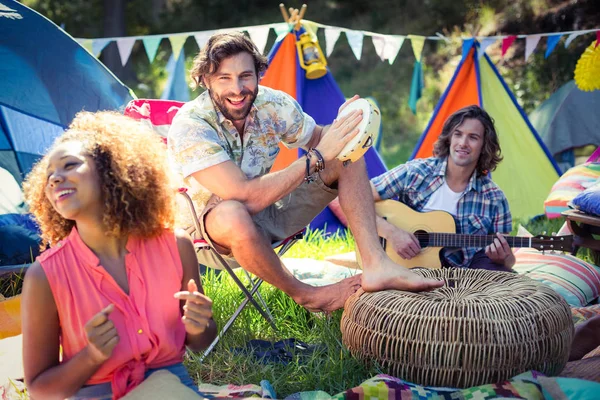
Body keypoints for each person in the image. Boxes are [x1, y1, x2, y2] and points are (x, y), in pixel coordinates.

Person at [167, 32, 442, 314]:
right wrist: (318, 157)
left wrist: (345, 126)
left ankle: (376, 264)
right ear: (205, 79)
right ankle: (307, 295)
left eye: (245, 76)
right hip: (209, 235)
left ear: (259, 74)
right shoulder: (191, 124)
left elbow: (323, 138)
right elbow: (244, 197)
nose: (237, 89)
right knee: (233, 212)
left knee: (346, 152)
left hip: (268, 213)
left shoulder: (272, 105)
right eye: (224, 78)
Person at [21, 111, 217, 399]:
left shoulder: (176, 246)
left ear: (110, 169)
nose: (54, 179)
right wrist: (92, 356)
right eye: (49, 175)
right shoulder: (44, 275)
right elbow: (40, 389)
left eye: (69, 165)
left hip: (171, 389)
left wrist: (199, 326)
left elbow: (201, 341)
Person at [331, 105, 515, 271]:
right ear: (450, 138)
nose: (463, 143)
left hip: (465, 276)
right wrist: (392, 233)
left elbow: (509, 259)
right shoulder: (417, 172)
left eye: (473, 137)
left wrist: (502, 258)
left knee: (507, 280)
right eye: (458, 134)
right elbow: (353, 199)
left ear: (484, 146)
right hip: (406, 267)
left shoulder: (494, 198)